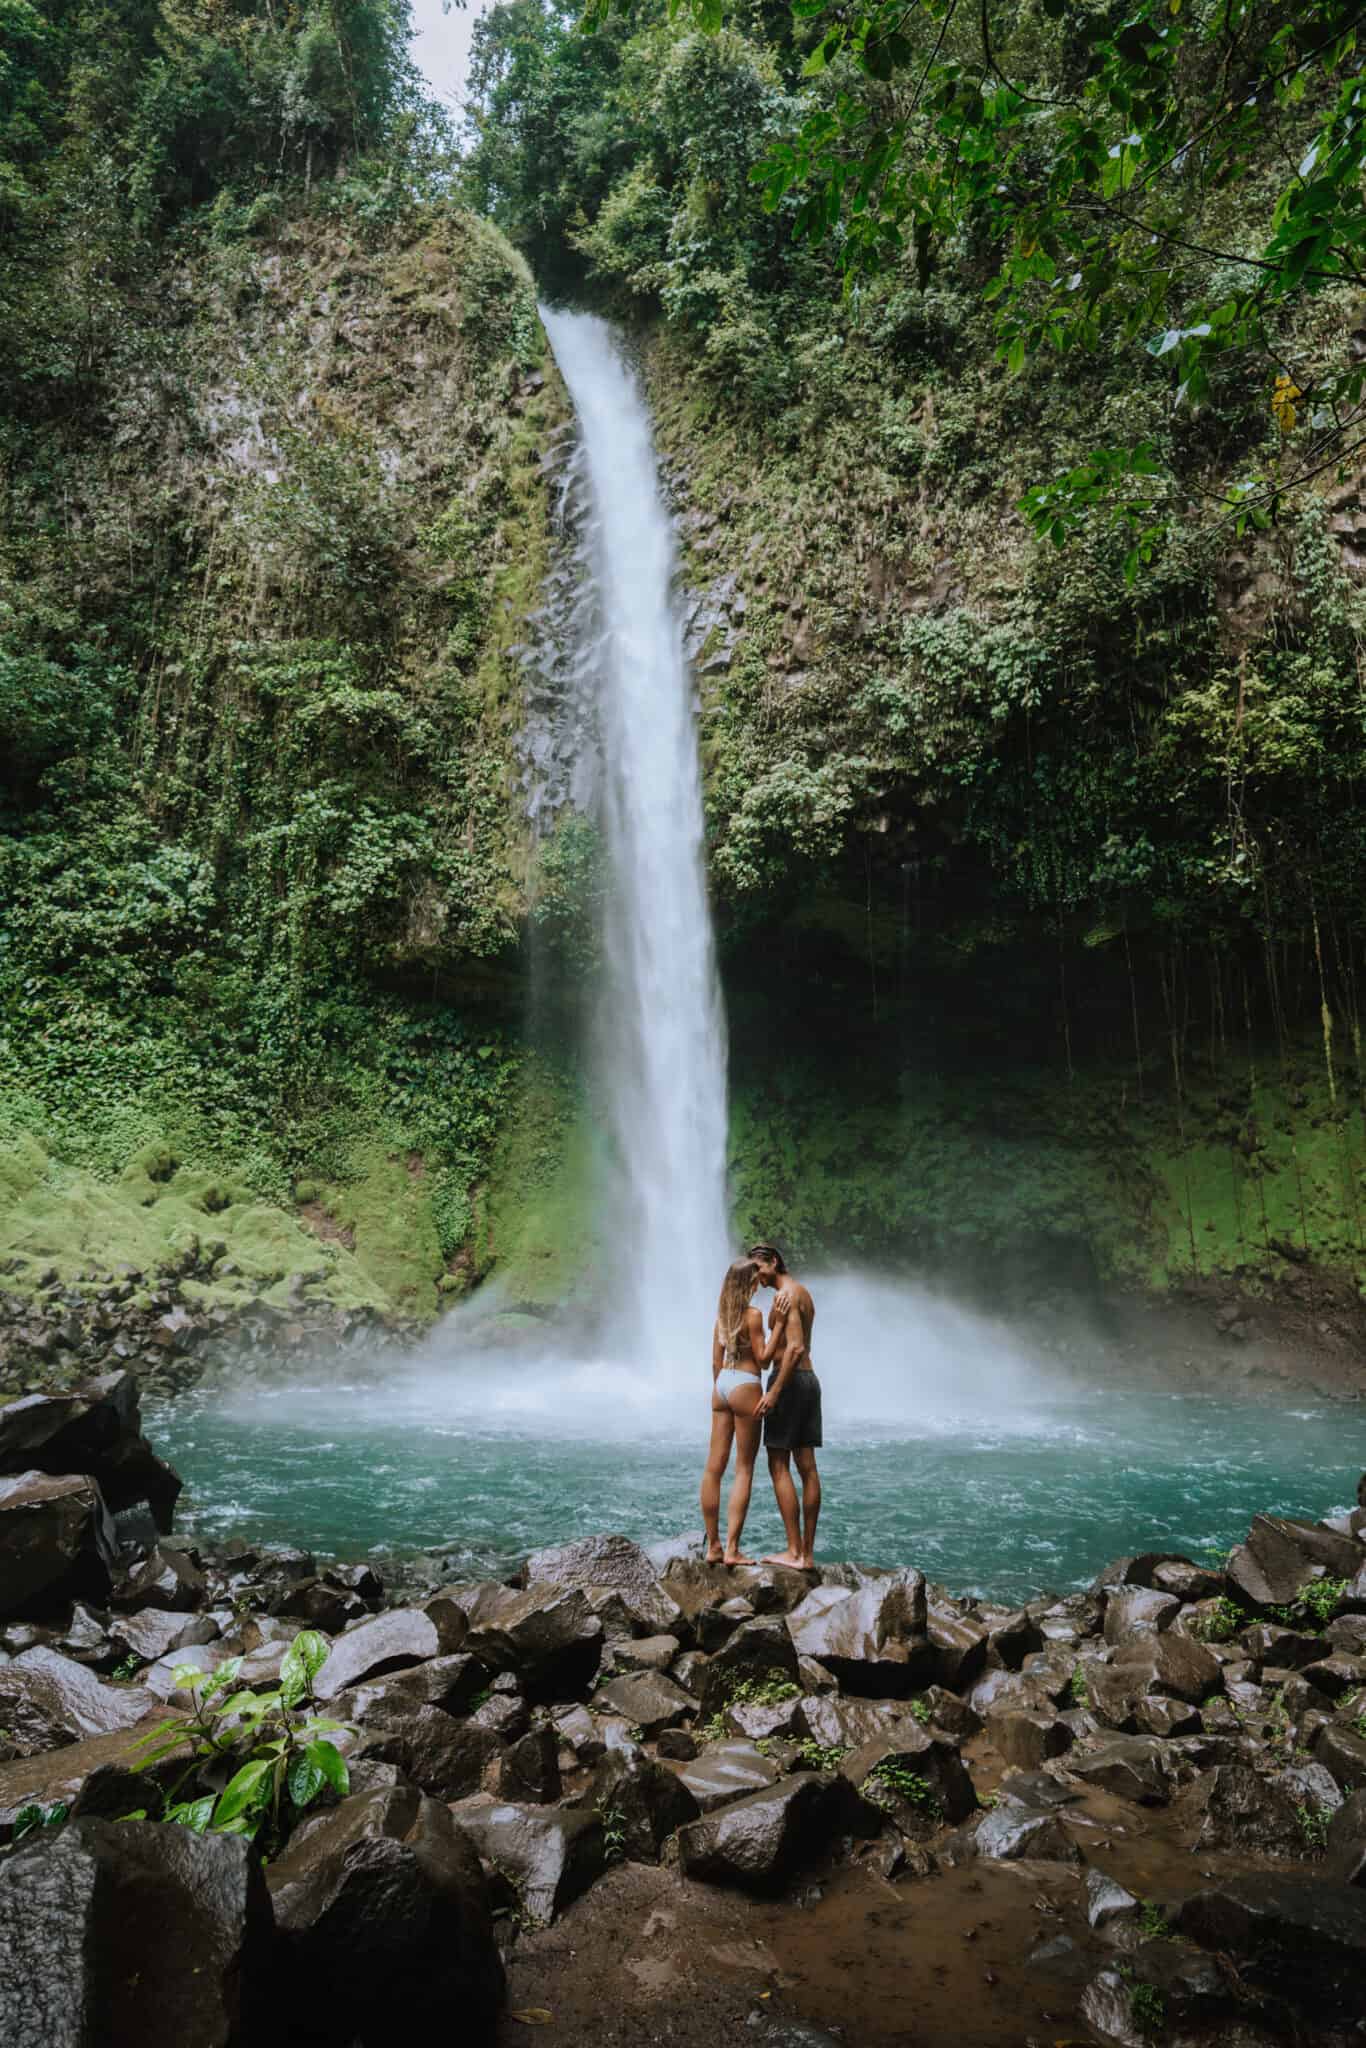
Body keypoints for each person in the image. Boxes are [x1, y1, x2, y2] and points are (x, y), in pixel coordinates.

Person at [700, 1256, 788, 1566]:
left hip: (722, 1384)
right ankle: (732, 1550)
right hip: (746, 1385)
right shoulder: (753, 1316)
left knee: (714, 1468)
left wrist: (721, 1387)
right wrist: (776, 1325)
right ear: (748, 1285)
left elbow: (715, 1361)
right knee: (744, 1468)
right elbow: (764, 1359)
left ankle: (712, 1545)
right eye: (755, 1282)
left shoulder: (720, 1318)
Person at [750, 1242, 822, 1570]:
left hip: (789, 1382)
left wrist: (775, 1392)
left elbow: (793, 1349)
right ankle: (806, 1554)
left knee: (778, 1465)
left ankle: (794, 1552)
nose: (757, 1275)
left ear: (774, 1261)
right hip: (809, 1380)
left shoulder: (786, 1295)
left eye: (759, 1268)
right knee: (807, 1466)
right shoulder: (803, 1292)